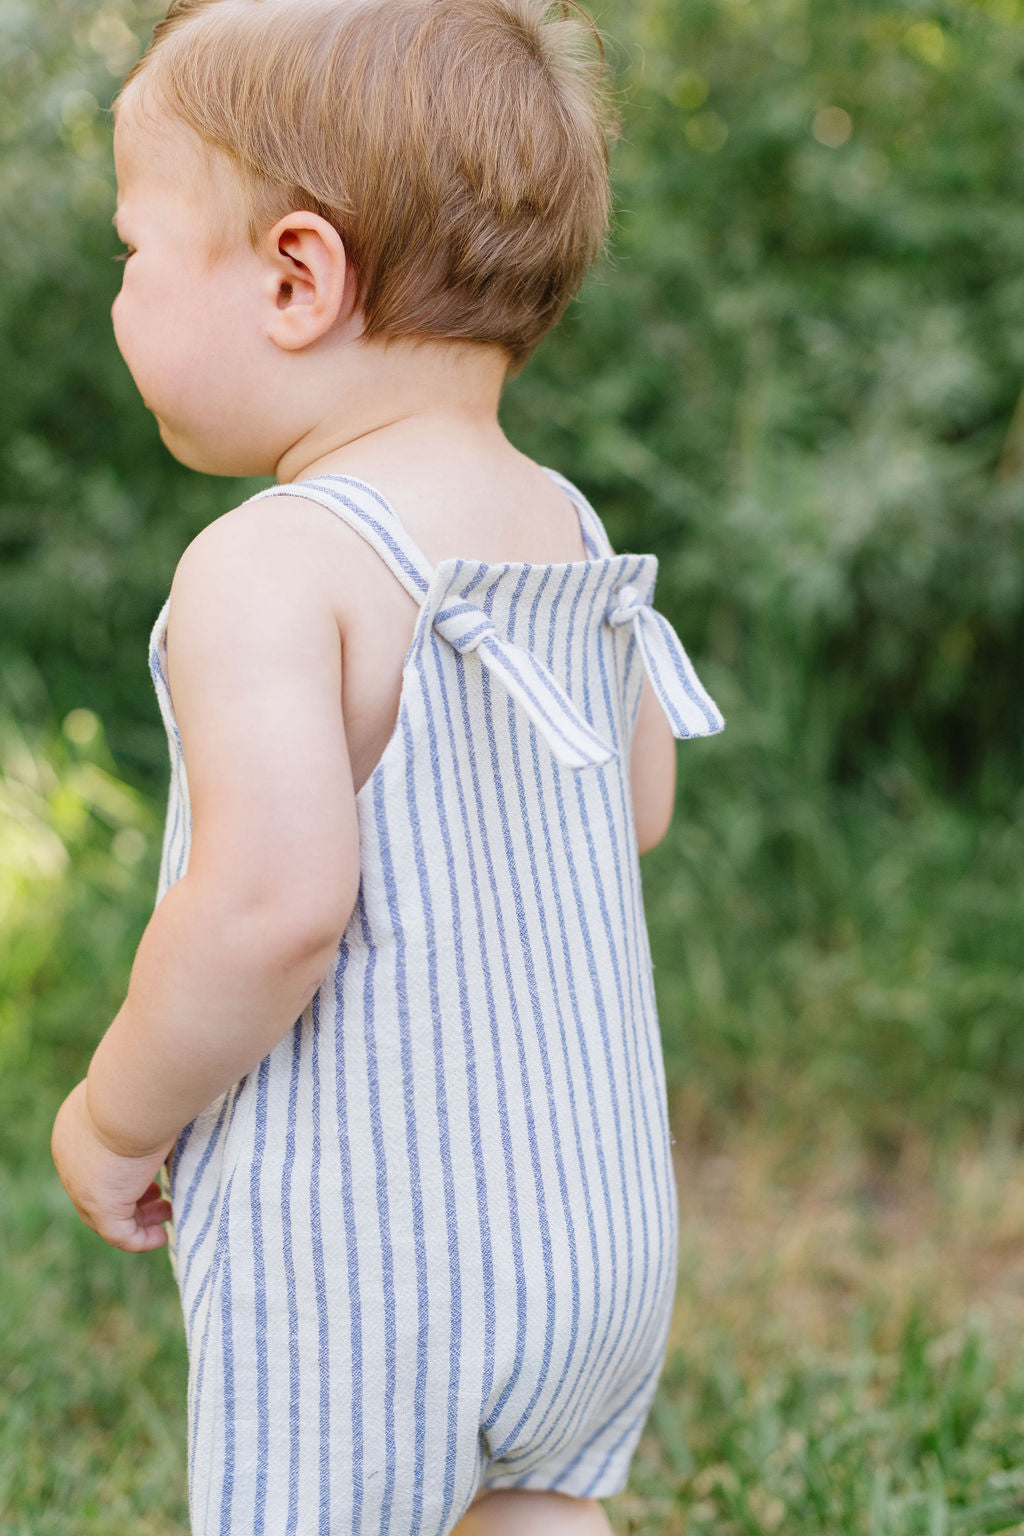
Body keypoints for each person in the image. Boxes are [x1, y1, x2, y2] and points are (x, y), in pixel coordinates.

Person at [50, 1, 725, 1531]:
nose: (123, 292)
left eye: (133, 249)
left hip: (375, 1255)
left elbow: (272, 906)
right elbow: (636, 807)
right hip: (597, 1230)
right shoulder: (562, 523)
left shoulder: (275, 564)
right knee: (534, 1514)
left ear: (297, 276)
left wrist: (113, 1116)